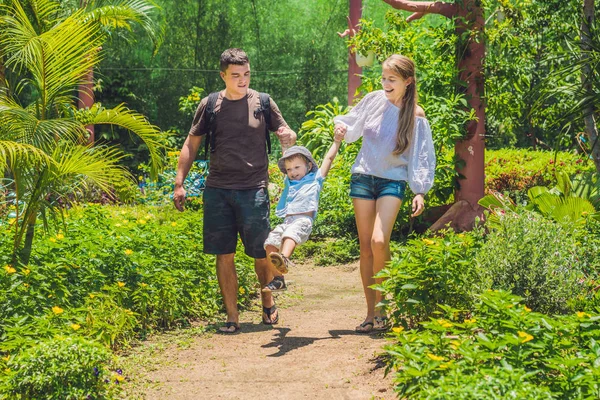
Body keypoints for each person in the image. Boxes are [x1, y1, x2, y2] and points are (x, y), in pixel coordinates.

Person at [173, 48, 296, 334]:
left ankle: (267, 301)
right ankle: (232, 316)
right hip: (217, 190)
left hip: (254, 189)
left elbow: (287, 132)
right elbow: (191, 145)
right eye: (236, 76)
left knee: (260, 253)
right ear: (223, 76)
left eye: (247, 74)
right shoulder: (210, 104)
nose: (243, 80)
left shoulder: (263, 102)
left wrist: (289, 135)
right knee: (224, 254)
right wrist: (179, 183)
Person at [333, 54, 436, 333]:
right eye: (383, 78)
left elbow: (421, 155)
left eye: (392, 79)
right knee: (366, 247)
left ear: (408, 81)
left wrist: (420, 190)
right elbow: (353, 127)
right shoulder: (374, 99)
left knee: (380, 241)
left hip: (393, 181)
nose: (385, 83)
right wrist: (342, 127)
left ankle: (384, 305)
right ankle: (371, 313)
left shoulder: (416, 115)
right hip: (363, 177)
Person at [262, 131, 345, 292]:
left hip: (303, 221)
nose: (293, 172)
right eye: (289, 169)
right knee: (270, 243)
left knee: (289, 235)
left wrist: (336, 141)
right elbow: (288, 156)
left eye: (297, 167)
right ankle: (278, 279)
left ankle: (284, 258)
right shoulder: (290, 182)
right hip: (288, 222)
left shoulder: (316, 178)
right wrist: (284, 145)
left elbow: (328, 159)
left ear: (308, 166)